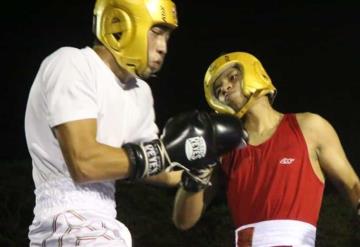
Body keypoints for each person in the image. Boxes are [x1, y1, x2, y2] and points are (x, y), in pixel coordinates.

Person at [24, 0, 181, 246]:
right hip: (65, 218)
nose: (163, 48)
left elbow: (163, 169)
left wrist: (200, 159)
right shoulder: (72, 63)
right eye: (157, 33)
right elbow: (85, 163)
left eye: (168, 37)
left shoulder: (139, 92)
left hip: (106, 222)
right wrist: (160, 154)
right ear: (121, 25)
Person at [172, 51, 360, 246]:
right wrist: (198, 172)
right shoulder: (222, 151)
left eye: (232, 78)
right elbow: (183, 221)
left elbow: (352, 185)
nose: (225, 88)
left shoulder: (310, 127)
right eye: (218, 90)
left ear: (255, 74)